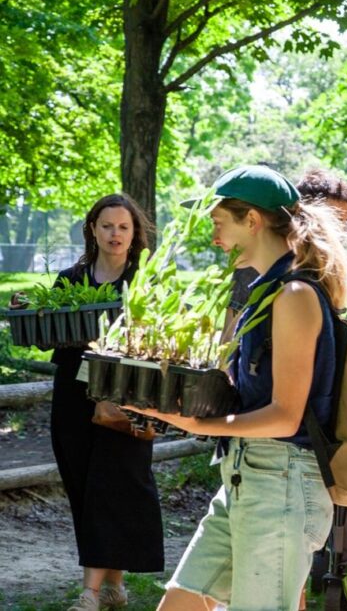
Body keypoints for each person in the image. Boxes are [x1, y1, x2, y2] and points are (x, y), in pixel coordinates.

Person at [128, 165, 347, 610]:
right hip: (245, 477)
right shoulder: (266, 292)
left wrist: (197, 422)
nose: (213, 236)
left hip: (281, 483)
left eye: (218, 222)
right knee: (180, 603)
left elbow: (286, 416)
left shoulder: (294, 296)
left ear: (252, 220)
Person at [37, 194, 163, 611]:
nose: (115, 234)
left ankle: (90, 594)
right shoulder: (70, 280)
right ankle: (112, 586)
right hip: (73, 401)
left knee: (115, 488)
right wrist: (34, 314)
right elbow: (46, 339)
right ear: (93, 229)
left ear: (134, 233)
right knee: (84, 489)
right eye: (107, 226)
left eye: (123, 227)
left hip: (128, 399)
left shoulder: (146, 282)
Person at [220, 167, 347, 342]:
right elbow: (229, 338)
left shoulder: (330, 269)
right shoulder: (262, 261)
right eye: (335, 220)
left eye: (346, 221)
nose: (342, 231)